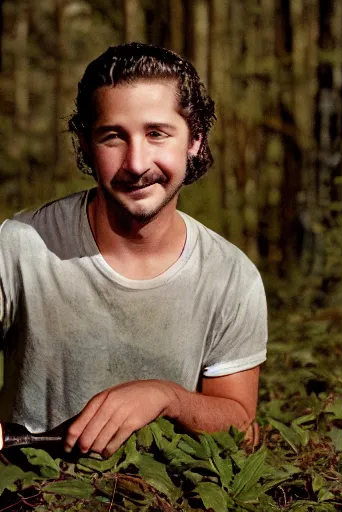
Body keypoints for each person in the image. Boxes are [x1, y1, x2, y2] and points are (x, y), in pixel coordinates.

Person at [0, 43, 267, 457]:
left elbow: (241, 426)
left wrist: (167, 397)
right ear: (85, 144)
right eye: (113, 137)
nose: (137, 163)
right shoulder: (19, 246)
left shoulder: (232, 277)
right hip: (27, 493)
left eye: (157, 133)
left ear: (194, 140)